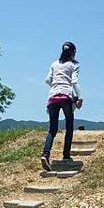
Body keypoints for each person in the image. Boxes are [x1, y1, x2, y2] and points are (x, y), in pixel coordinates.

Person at [41, 41, 83, 171]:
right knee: (69, 126)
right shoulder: (73, 65)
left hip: (53, 97)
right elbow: (74, 82)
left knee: (52, 130)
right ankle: (66, 155)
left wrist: (56, 87)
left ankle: (45, 154)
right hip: (65, 96)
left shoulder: (54, 64)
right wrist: (80, 97)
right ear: (72, 52)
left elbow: (48, 80)